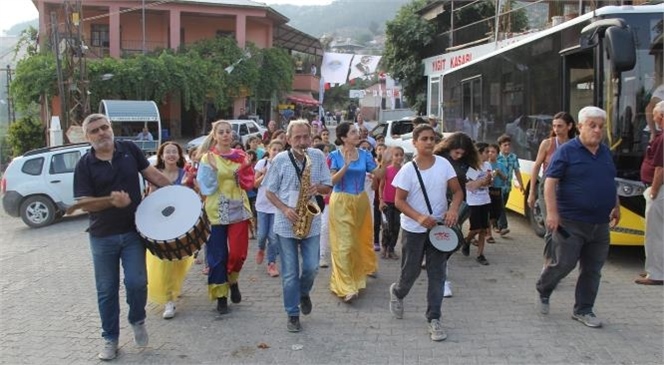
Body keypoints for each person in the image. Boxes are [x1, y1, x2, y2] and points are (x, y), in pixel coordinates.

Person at [73, 113, 172, 360]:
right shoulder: (84, 165)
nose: (102, 132)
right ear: (87, 137)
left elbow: (153, 175)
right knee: (106, 290)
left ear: (111, 128)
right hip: (102, 237)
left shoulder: (129, 149)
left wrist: (180, 195)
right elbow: (84, 203)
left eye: (105, 127)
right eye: (95, 130)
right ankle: (110, 339)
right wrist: (109, 201)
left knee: (137, 283)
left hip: (133, 232)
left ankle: (137, 319)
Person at [536, 106, 621, 328]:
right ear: (580, 127)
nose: (597, 130)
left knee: (593, 269)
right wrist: (552, 213)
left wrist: (616, 205)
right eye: (592, 125)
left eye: (601, 126)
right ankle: (544, 287)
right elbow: (549, 182)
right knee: (565, 264)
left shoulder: (604, 152)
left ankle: (584, 310)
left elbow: (610, 181)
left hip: (600, 223)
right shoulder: (567, 151)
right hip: (570, 222)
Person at [388, 124, 463, 342]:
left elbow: (457, 191)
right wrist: (419, 217)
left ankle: (434, 319)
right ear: (415, 142)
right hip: (414, 229)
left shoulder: (444, 164)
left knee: (437, 274)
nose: (429, 142)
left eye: (432, 138)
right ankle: (398, 292)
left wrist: (452, 209)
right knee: (410, 272)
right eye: (424, 139)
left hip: (439, 229)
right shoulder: (407, 171)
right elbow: (398, 201)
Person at [265, 119, 332, 332]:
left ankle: (304, 292)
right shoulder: (280, 160)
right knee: (290, 272)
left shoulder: (318, 156)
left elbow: (328, 186)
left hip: (310, 221)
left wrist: (317, 188)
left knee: (311, 267)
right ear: (288, 139)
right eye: (297, 138)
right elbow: (269, 191)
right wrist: (284, 209)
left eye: (305, 137)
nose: (302, 142)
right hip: (286, 223)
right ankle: (292, 313)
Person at [196, 120, 254, 315]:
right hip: (216, 211)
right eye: (221, 132)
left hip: (238, 208)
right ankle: (221, 295)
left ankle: (233, 279)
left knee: (238, 253)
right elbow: (206, 187)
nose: (225, 135)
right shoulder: (208, 158)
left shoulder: (241, 156)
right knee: (217, 255)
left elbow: (248, 184)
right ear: (215, 135)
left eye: (228, 132)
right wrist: (212, 169)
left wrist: (245, 168)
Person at [328, 122, 385, 302]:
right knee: (345, 244)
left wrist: (386, 160)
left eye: (357, 131)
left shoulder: (365, 154)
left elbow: (380, 174)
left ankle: (363, 269)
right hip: (341, 201)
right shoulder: (334, 156)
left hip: (360, 200)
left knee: (360, 239)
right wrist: (345, 165)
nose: (357, 133)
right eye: (353, 132)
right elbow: (332, 181)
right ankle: (345, 287)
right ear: (344, 137)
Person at [145, 142, 194, 320]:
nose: (171, 155)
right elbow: (150, 197)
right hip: (161, 225)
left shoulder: (185, 173)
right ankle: (168, 300)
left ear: (179, 155)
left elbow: (192, 196)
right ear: (162, 155)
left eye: (174, 152)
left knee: (179, 261)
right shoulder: (154, 174)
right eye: (168, 152)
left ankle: (174, 287)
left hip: (180, 225)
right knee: (164, 262)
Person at [434, 132, 480, 297]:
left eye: (463, 153)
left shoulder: (469, 163)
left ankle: (440, 272)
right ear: (449, 148)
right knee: (445, 239)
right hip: (439, 204)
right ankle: (442, 279)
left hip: (460, 205)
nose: (459, 156)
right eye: (456, 152)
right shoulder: (439, 159)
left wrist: (481, 182)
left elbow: (472, 183)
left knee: (451, 240)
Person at [527, 112, 576, 266]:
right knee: (551, 225)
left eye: (560, 126)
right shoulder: (547, 144)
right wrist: (531, 192)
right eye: (554, 126)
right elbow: (536, 167)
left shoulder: (576, 144)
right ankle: (549, 262)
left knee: (566, 226)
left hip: (568, 188)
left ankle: (562, 258)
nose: (556, 129)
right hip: (547, 187)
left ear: (570, 126)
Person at [636, 100, 664, 285]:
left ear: (661, 116)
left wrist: (653, 190)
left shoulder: (662, 138)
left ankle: (655, 274)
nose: (652, 118)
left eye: (654, 115)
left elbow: (660, 168)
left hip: (659, 191)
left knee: (655, 233)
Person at [254, 140, 284, 278]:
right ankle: (261, 248)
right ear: (269, 150)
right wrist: (264, 174)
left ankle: (271, 263)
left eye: (279, 150)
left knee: (273, 237)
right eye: (274, 149)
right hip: (262, 205)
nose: (276, 152)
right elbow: (255, 184)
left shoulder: (284, 165)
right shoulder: (262, 164)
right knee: (261, 235)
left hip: (276, 206)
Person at [464, 142, 493, 265]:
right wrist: (482, 181)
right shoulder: (473, 167)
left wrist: (488, 181)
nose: (489, 154)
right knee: (476, 228)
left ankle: (480, 254)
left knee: (484, 229)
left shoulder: (488, 165)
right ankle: (467, 240)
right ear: (479, 153)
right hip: (474, 201)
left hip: (485, 200)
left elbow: (489, 183)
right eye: (486, 152)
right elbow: (470, 186)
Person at [495, 134, 525, 236]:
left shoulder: (513, 157)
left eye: (508, 145)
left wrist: (521, 184)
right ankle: (503, 226)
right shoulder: (497, 157)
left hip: (507, 186)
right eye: (505, 145)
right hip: (497, 186)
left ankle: (496, 224)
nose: (507, 147)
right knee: (500, 206)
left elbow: (517, 171)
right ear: (500, 146)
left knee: (502, 206)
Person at [379, 146, 405, 260]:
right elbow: (381, 186)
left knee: (396, 226)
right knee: (387, 226)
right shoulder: (387, 170)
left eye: (401, 155)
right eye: (396, 155)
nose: (399, 157)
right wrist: (381, 200)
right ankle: (384, 247)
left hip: (399, 203)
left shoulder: (405, 171)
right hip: (387, 202)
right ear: (392, 156)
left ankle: (391, 248)